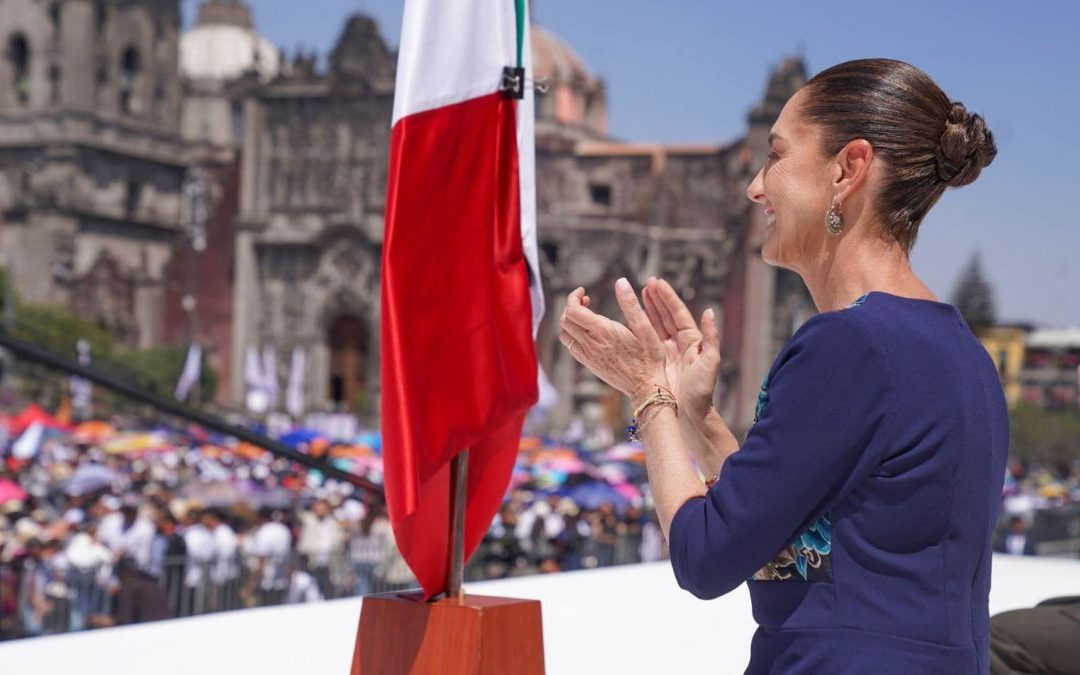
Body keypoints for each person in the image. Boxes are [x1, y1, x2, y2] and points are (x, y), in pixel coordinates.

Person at [559, 58, 1005, 672]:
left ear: (848, 170)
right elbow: (796, 537)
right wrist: (698, 417)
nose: (755, 187)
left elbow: (707, 556)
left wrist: (648, 394)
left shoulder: (849, 346)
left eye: (776, 157)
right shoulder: (958, 350)